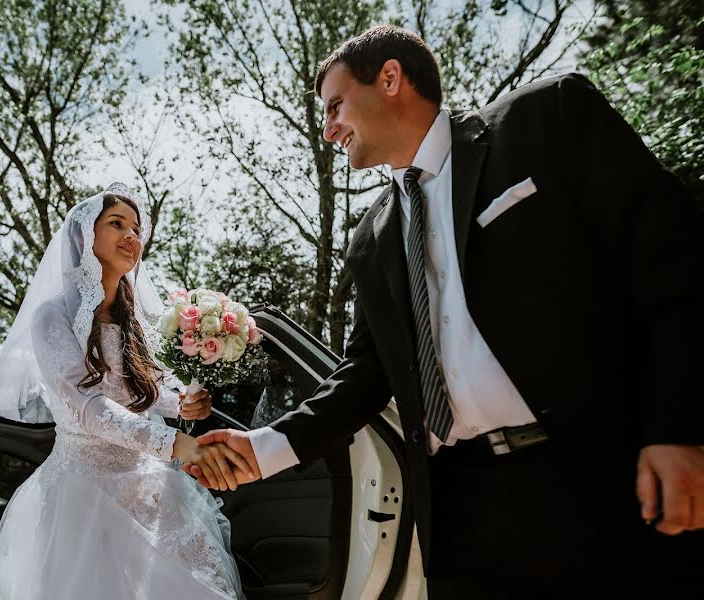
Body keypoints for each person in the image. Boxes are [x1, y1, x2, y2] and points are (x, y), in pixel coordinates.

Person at [192, 25, 704, 598]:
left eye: (336, 104)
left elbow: (674, 267)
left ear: (390, 79)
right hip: (462, 510)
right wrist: (263, 448)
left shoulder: (547, 119)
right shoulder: (371, 239)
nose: (329, 127)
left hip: (597, 475)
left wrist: (679, 430)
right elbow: (365, 374)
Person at [0, 183, 248, 599]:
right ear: (86, 236)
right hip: (84, 493)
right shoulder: (53, 317)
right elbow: (88, 406)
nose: (132, 236)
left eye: (137, 229)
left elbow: (140, 392)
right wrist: (175, 442)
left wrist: (182, 405)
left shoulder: (134, 321)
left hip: (147, 485)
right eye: (117, 224)